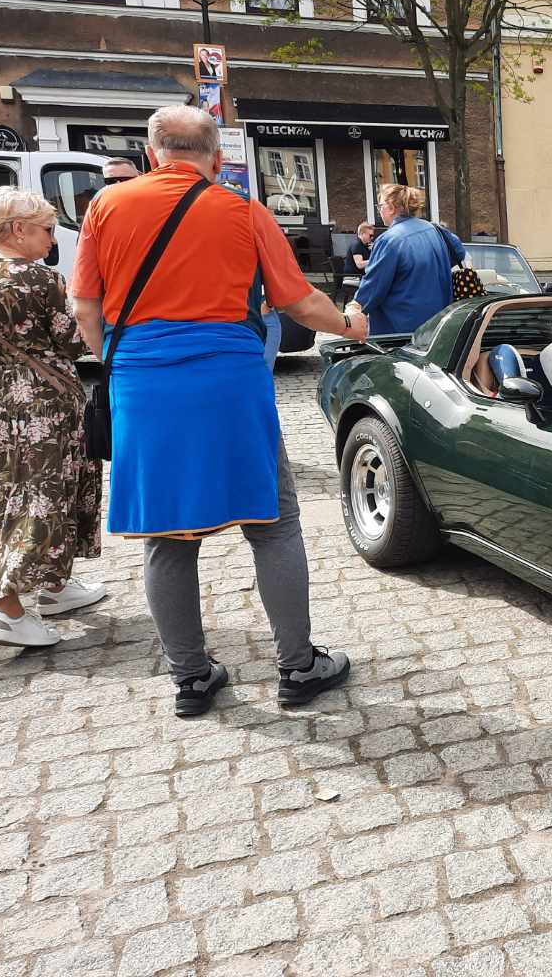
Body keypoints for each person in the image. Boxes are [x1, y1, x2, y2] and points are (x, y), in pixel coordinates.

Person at [71, 105, 368, 718]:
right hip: (229, 378)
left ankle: (192, 678)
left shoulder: (107, 206)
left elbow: (85, 308)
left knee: (166, 537)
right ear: (215, 156)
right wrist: (349, 325)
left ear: (154, 154)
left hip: (143, 379)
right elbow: (297, 301)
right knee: (274, 521)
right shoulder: (241, 210)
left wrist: (123, 361)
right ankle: (297, 666)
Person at [0, 187, 105, 647]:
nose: (53, 240)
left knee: (2, 494)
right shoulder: (35, 279)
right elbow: (73, 342)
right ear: (17, 230)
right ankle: (8, 610)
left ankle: (55, 586)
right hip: (42, 406)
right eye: (47, 230)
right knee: (40, 497)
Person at [347, 185, 460, 335]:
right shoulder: (433, 229)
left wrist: (355, 306)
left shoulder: (389, 239)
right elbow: (457, 252)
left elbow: (374, 284)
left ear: (392, 207)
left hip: (402, 329)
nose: (379, 210)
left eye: (381, 206)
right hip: (438, 324)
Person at [337, 222, 374, 306]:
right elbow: (360, 264)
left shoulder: (365, 246)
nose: (372, 238)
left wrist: (373, 250)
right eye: (370, 235)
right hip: (354, 278)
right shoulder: (357, 245)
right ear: (362, 234)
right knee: (378, 285)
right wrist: (376, 259)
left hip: (359, 276)